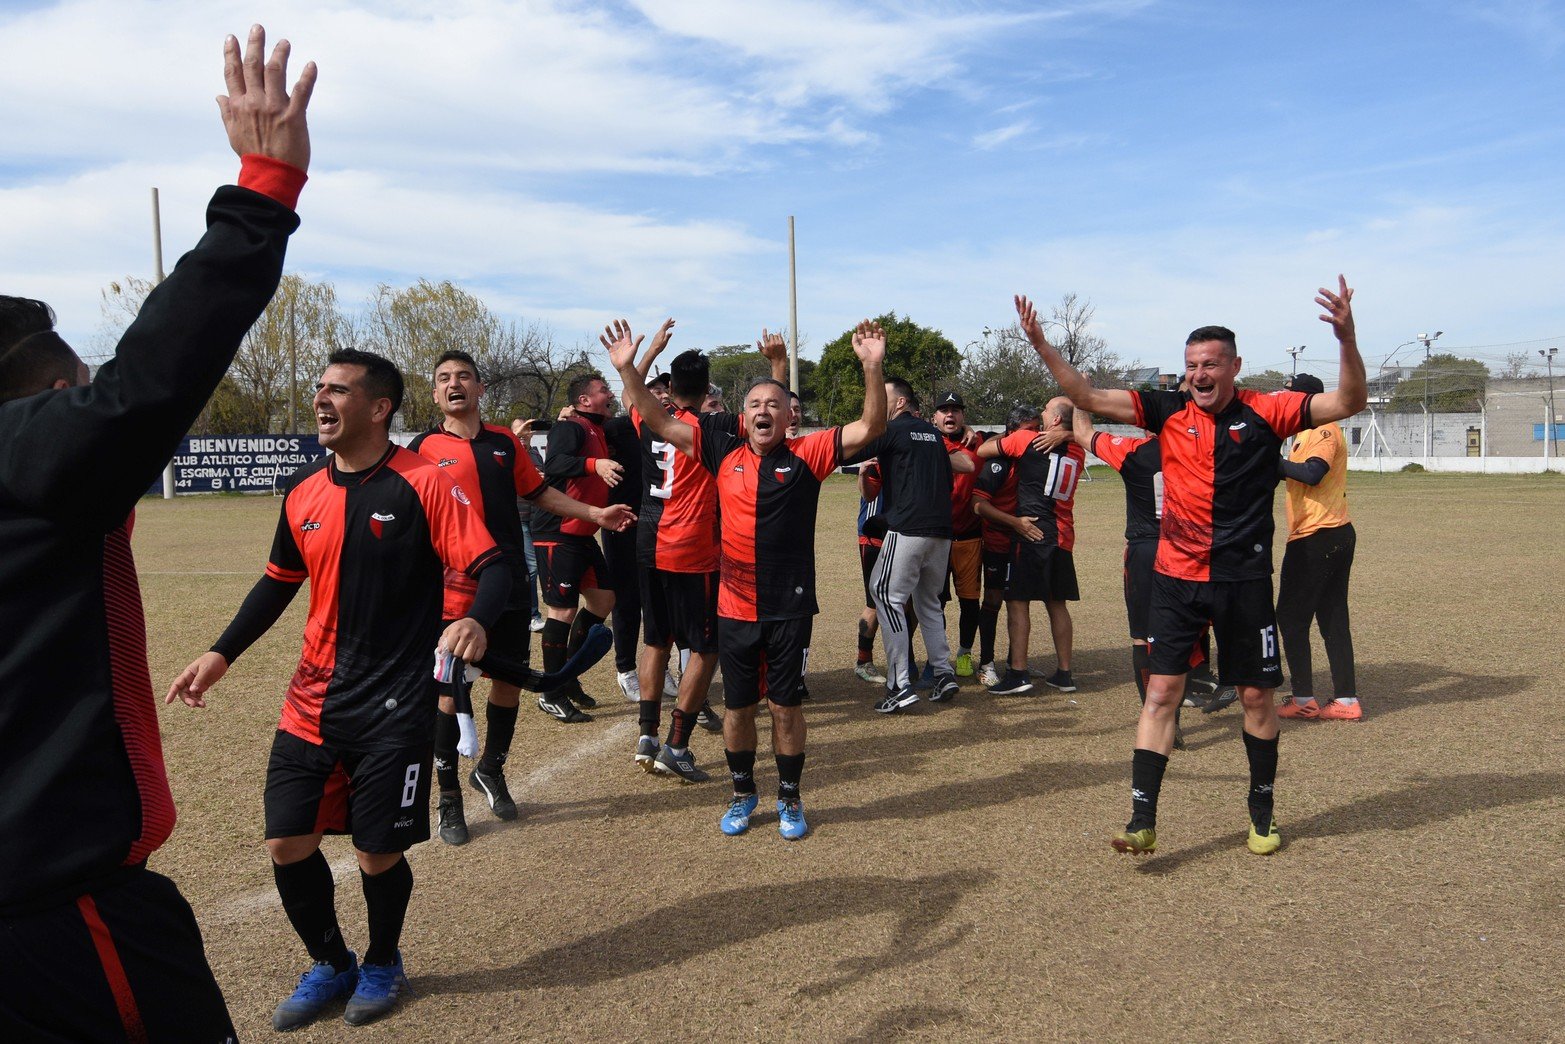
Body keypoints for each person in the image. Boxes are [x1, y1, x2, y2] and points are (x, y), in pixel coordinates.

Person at [0, 27, 311, 1042]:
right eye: (78, 395)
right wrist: (264, 187)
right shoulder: (28, 456)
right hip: (63, 924)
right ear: (53, 397)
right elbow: (152, 382)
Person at [167, 349, 508, 1029]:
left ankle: (383, 960)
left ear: (379, 408)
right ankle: (330, 962)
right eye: (319, 388)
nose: (321, 400)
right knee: (286, 841)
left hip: (396, 703)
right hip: (311, 700)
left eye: (339, 391)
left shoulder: (426, 483)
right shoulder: (302, 491)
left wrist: (473, 615)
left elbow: (492, 565)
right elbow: (277, 582)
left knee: (375, 852)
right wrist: (220, 653)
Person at [1013, 278, 1367, 855]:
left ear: (1234, 366)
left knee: (1255, 699)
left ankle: (1262, 813)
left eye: (1211, 364)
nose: (1199, 375)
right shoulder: (1166, 409)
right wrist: (1042, 345)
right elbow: (1084, 393)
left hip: (1243, 583)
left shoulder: (1267, 412)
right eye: (1191, 365)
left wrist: (1347, 339)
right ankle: (1141, 819)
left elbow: (1348, 402)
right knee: (1160, 695)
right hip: (1176, 581)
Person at [609, 318, 887, 839]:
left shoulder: (810, 454)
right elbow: (658, 421)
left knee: (784, 707)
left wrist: (872, 367)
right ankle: (742, 792)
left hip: (788, 607)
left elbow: (871, 427)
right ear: (744, 416)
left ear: (789, 420)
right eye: (755, 404)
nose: (763, 411)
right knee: (738, 708)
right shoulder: (722, 452)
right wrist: (628, 370)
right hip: (734, 606)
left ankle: (789, 797)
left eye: (774, 405)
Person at [411, 351, 634, 845]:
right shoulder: (422, 449)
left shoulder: (504, 442)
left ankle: (491, 768)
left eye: (463, 376)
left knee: (506, 683)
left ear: (480, 387)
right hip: (451, 591)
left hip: (509, 583)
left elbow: (539, 494)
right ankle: (448, 797)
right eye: (444, 379)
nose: (454, 385)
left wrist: (594, 514)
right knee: (450, 693)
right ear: (434, 393)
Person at [609, 321, 789, 783]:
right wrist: (776, 364)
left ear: (670, 385)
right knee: (706, 649)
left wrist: (640, 357)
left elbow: (633, 396)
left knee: (656, 639)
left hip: (649, 538)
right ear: (707, 388)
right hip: (693, 547)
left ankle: (646, 734)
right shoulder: (711, 428)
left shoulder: (650, 417)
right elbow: (770, 415)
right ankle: (676, 743)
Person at [846, 378, 970, 713]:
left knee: (885, 595)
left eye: (881, 397)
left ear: (900, 402)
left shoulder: (893, 430)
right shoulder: (934, 436)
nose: (875, 402)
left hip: (910, 529)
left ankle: (899, 684)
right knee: (928, 603)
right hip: (941, 532)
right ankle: (944, 673)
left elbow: (849, 448)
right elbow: (947, 480)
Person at [531, 372, 624, 721]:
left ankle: (567, 676)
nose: (609, 394)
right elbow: (554, 463)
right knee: (562, 611)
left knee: (604, 599)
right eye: (603, 390)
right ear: (584, 400)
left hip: (583, 532)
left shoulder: (597, 429)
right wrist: (594, 464)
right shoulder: (571, 427)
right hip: (557, 530)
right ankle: (551, 691)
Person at [976, 397, 1085, 695]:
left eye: (1046, 411)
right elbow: (1087, 435)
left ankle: (1018, 673)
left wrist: (1008, 435)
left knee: (1016, 601)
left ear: (1054, 422)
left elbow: (983, 450)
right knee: (1056, 603)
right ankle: (1065, 673)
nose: (1041, 412)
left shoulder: (1026, 440)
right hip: (1063, 534)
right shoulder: (1077, 448)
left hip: (1033, 532)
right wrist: (1070, 433)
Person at [1274, 372, 1360, 721]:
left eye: (1290, 397)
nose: (1284, 402)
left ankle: (1303, 698)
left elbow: (1313, 473)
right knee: (1332, 617)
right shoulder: (1304, 433)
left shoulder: (1323, 429)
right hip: (1331, 533)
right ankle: (1346, 701)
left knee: (1290, 618)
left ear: (1306, 401)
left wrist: (1270, 463)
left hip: (1317, 535)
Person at [971, 406, 1041, 686]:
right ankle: (985, 663)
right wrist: (1013, 522)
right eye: (1028, 430)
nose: (1034, 436)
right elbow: (978, 504)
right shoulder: (999, 463)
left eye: (1037, 430)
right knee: (993, 600)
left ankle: (1017, 662)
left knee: (1020, 603)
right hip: (1000, 543)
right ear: (1011, 433)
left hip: (1025, 542)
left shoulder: (1037, 458)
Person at [932, 392, 984, 677]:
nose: (949, 415)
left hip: (969, 535)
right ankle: (937, 659)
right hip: (935, 538)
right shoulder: (926, 442)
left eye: (955, 410)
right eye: (943, 410)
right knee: (934, 603)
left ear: (963, 416)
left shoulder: (979, 441)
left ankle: (964, 653)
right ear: (934, 417)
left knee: (969, 600)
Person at [853, 459, 889, 684]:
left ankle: (904, 661)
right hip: (874, 538)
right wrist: (861, 476)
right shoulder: (878, 460)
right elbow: (868, 495)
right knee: (874, 603)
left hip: (898, 535)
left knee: (904, 603)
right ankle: (863, 662)